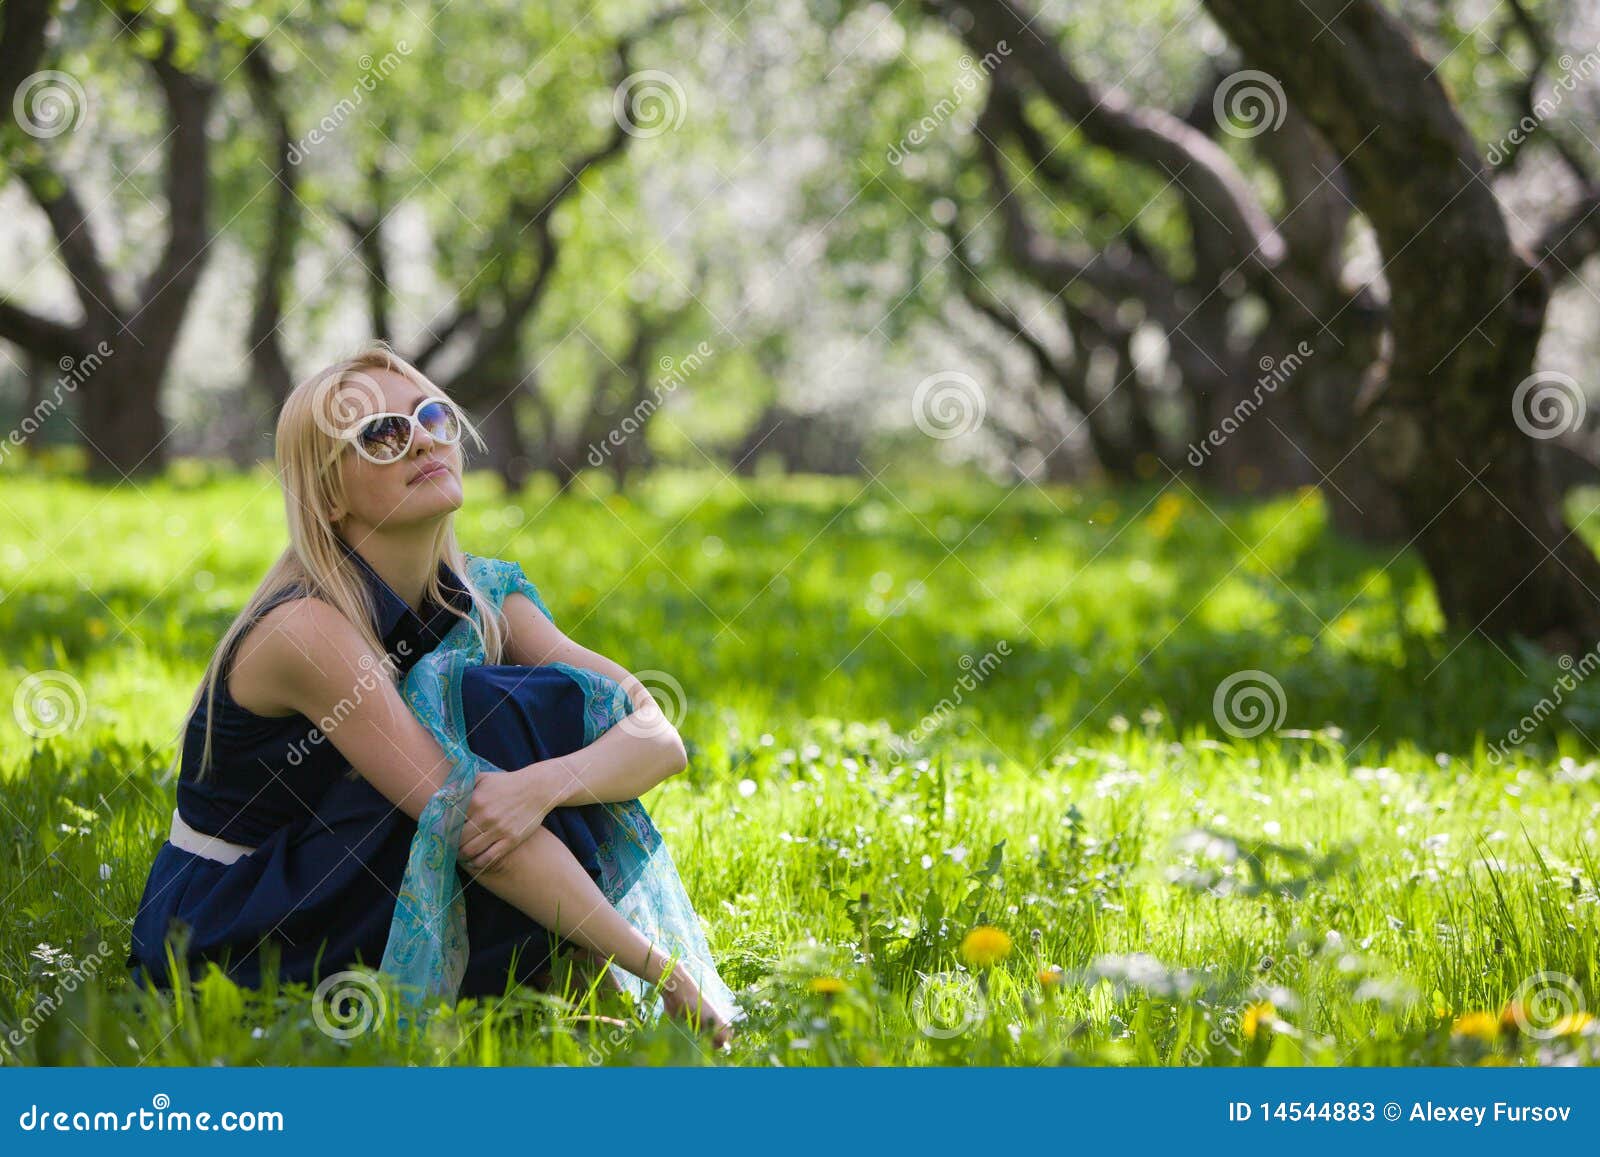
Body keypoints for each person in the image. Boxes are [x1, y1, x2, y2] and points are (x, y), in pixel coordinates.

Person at [126, 340, 733, 1047]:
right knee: (488, 718)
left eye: (433, 417)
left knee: (537, 704)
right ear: (328, 495)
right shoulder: (306, 628)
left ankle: (559, 970)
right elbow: (472, 825)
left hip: (339, 864)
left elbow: (655, 734)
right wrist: (663, 971)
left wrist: (542, 785)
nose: (421, 442)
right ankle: (575, 969)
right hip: (229, 926)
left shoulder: (479, 593)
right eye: (383, 435)